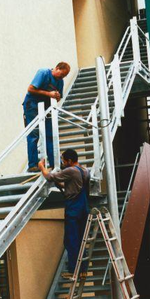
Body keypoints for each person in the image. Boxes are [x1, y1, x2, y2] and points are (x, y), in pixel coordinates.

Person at [38, 149, 90, 280]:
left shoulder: (71, 171)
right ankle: (83, 270)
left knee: (71, 240)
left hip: (73, 208)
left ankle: (73, 270)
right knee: (82, 239)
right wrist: (61, 184)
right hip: (84, 207)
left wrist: (42, 167)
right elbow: (73, 187)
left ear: (70, 161)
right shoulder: (84, 171)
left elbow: (49, 177)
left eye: (64, 160)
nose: (62, 163)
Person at [23, 63, 71, 172]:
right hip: (32, 105)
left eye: (64, 77)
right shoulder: (43, 72)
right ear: (57, 68)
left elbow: (58, 97)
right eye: (61, 75)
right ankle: (33, 165)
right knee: (34, 134)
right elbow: (30, 89)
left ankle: (55, 163)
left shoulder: (60, 81)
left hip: (47, 107)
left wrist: (57, 97)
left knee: (50, 135)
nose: (61, 78)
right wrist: (48, 94)